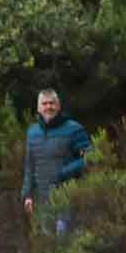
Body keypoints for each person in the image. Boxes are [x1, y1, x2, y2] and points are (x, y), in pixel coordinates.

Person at [20, 88, 92, 235]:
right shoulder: (32, 133)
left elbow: (90, 156)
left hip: (69, 194)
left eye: (52, 103)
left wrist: (64, 172)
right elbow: (30, 165)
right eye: (44, 103)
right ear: (39, 108)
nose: (48, 107)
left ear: (58, 106)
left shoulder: (74, 129)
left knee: (66, 237)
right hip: (43, 198)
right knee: (49, 241)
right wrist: (27, 194)